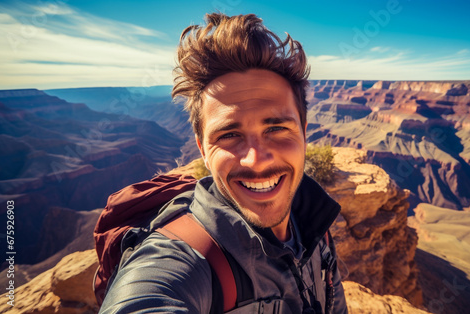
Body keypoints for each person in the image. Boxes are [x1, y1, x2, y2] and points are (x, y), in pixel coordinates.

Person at [99, 12, 347, 313]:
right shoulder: (178, 258)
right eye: (229, 135)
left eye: (276, 129)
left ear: (304, 132)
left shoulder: (314, 227)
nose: (255, 160)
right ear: (203, 147)